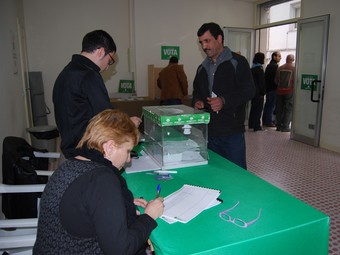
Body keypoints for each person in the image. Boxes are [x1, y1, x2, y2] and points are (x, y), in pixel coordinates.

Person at [33, 109, 164, 255]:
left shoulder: (71, 164)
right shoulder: (102, 180)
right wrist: (149, 217)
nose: (128, 159)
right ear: (109, 147)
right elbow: (121, 249)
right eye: (127, 151)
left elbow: (84, 206)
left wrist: (118, 202)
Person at [53, 30, 142, 159]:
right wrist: (128, 123)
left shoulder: (66, 72)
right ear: (101, 51)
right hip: (88, 150)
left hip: (71, 148)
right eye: (110, 60)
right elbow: (106, 116)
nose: (107, 67)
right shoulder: (89, 74)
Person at [192, 22, 255, 169]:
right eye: (201, 42)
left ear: (219, 38)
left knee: (237, 175)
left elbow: (249, 90)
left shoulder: (238, 62)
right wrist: (197, 101)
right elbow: (196, 91)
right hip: (210, 132)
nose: (204, 46)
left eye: (207, 41)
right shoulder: (202, 68)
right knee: (215, 174)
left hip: (232, 133)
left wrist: (223, 101)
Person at [275, 54, 295, 132]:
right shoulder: (294, 68)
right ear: (292, 60)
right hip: (289, 91)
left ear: (286, 59)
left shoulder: (280, 68)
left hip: (279, 91)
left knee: (279, 108)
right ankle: (285, 126)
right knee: (288, 109)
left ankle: (278, 126)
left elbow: (276, 81)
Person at [262, 51, 281, 127]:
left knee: (267, 105)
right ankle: (269, 121)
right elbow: (275, 79)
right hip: (272, 89)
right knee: (271, 106)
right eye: (279, 56)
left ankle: (265, 121)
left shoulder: (269, 65)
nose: (280, 58)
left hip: (268, 88)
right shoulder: (274, 66)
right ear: (274, 57)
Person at [248, 52, 266, 132]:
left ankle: (251, 124)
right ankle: (257, 126)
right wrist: (263, 93)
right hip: (259, 93)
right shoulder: (260, 69)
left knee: (253, 108)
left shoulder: (252, 68)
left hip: (253, 92)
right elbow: (262, 83)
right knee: (258, 109)